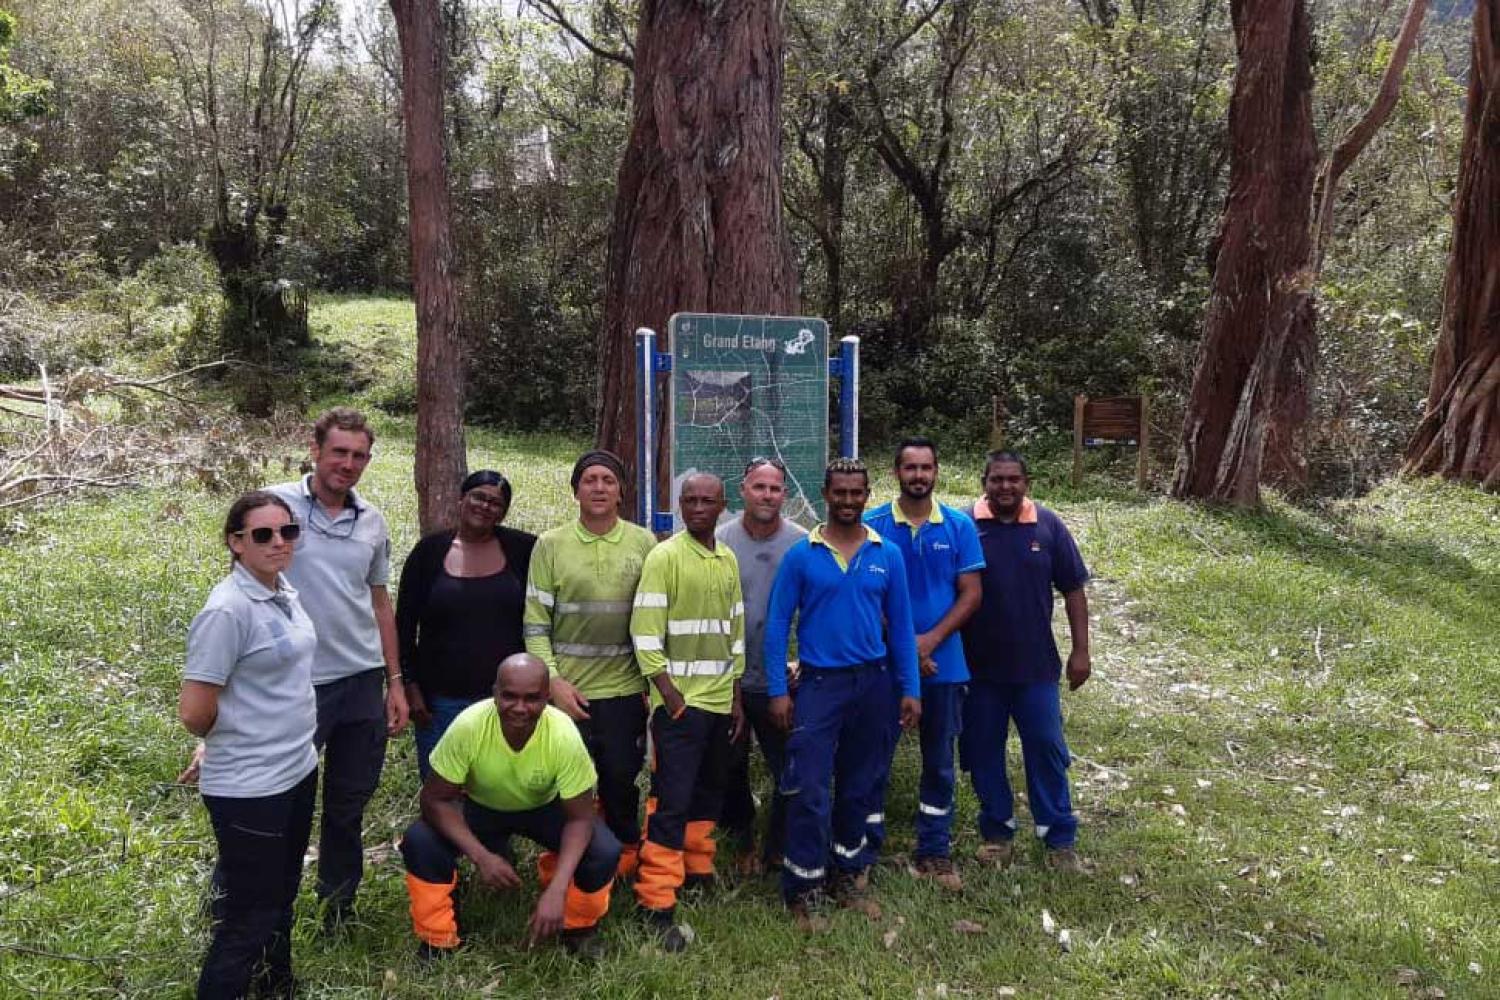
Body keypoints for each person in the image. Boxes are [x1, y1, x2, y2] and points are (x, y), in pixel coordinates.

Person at [266, 406, 409, 929]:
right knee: (282, 804)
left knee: (348, 807)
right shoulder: (275, 505)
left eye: (358, 455)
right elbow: (247, 590)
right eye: (339, 452)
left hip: (361, 685)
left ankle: (337, 910)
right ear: (316, 450)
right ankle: (257, 907)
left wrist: (394, 681)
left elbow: (379, 602)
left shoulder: (371, 520)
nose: (347, 464)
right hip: (296, 684)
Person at [763, 457, 921, 927]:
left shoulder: (885, 553)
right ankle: (803, 886)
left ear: (866, 495)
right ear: (826, 494)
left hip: (872, 684)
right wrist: (777, 691)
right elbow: (776, 627)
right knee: (809, 787)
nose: (848, 501)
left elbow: (903, 629)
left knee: (860, 785)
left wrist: (910, 688)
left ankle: (848, 874)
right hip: (818, 685)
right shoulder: (802, 554)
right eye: (840, 493)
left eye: (857, 493)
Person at [180, 492, 318, 999]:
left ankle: (275, 985)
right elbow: (195, 711)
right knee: (248, 915)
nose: (278, 542)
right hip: (250, 785)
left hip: (297, 769)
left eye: (287, 531)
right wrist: (224, 737)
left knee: (281, 896)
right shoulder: (228, 610)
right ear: (236, 543)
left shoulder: (282, 590)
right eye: (263, 534)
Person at [399, 654, 620, 960]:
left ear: (547, 698)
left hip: (543, 807)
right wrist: (481, 857)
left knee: (604, 850)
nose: (519, 708)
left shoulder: (563, 734)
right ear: (495, 692)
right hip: (479, 806)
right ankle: (437, 940)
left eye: (532, 698)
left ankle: (577, 927)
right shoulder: (470, 725)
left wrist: (557, 890)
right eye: (509, 696)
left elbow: (581, 819)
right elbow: (434, 800)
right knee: (420, 841)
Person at [524, 450, 655, 878]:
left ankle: (624, 863)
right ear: (576, 491)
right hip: (568, 696)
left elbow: (654, 620)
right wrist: (553, 684)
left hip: (623, 692)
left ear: (621, 492)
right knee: (568, 788)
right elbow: (536, 625)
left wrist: (651, 685)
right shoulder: (550, 546)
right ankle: (573, 868)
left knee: (620, 781)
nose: (599, 488)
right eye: (589, 480)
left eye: (608, 481)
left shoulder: (643, 543)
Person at [960, 451, 1092, 873]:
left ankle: (1059, 838)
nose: (1005, 487)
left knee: (1047, 748)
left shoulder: (1048, 525)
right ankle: (997, 832)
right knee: (982, 751)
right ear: (985, 481)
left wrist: (1081, 650)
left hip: (1036, 667)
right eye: (997, 479)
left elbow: (1073, 589)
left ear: (1026, 482)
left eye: (1013, 479)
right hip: (977, 670)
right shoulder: (965, 525)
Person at [629, 473, 745, 949]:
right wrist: (668, 693)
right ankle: (655, 899)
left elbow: (735, 627)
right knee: (670, 800)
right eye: (690, 500)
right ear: (680, 505)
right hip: (680, 706)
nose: (698, 507)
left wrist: (735, 694)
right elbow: (645, 631)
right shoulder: (665, 556)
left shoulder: (726, 557)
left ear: (723, 505)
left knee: (709, 793)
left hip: (720, 702)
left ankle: (696, 870)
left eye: (707, 500)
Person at [864, 437, 983, 891]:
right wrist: (905, 649)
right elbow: (865, 595)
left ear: (936, 472)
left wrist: (928, 642)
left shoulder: (957, 526)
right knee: (874, 759)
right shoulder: (873, 525)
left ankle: (934, 849)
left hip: (945, 665)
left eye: (925, 467)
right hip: (886, 667)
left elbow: (972, 593)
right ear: (896, 472)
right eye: (909, 467)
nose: (918, 475)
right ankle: (867, 848)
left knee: (939, 762)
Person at [397, 469, 536, 778]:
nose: (485, 506)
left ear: (503, 513)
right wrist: (409, 684)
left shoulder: (524, 550)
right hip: (441, 702)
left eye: (495, 503)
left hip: (508, 703)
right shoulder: (429, 553)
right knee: (442, 789)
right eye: (478, 497)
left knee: (499, 786)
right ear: (460, 500)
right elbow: (403, 625)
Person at [716, 456, 807, 874]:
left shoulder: (803, 543)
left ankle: (778, 847)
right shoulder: (719, 542)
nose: (767, 495)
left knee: (789, 766)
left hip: (777, 682)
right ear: (743, 490)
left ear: (784, 494)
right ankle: (742, 841)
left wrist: (802, 660)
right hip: (726, 679)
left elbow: (820, 609)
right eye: (759, 487)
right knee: (730, 767)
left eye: (774, 488)